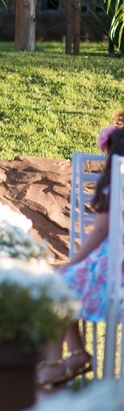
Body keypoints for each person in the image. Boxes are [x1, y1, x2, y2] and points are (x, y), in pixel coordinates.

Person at [43, 125, 124, 386]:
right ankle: (74, 354)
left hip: (115, 264)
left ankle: (58, 361)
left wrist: (73, 262)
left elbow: (101, 229)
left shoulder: (117, 181)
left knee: (57, 284)